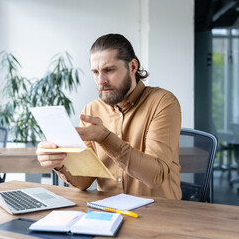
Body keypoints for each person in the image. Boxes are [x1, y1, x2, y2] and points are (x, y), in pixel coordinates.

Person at [37, 34, 181, 199]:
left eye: (109, 70)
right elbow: (84, 181)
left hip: (158, 214)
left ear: (133, 66)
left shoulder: (163, 102)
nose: (101, 80)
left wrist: (105, 138)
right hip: (108, 214)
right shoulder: (91, 110)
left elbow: (155, 176)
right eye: (95, 72)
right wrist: (60, 163)